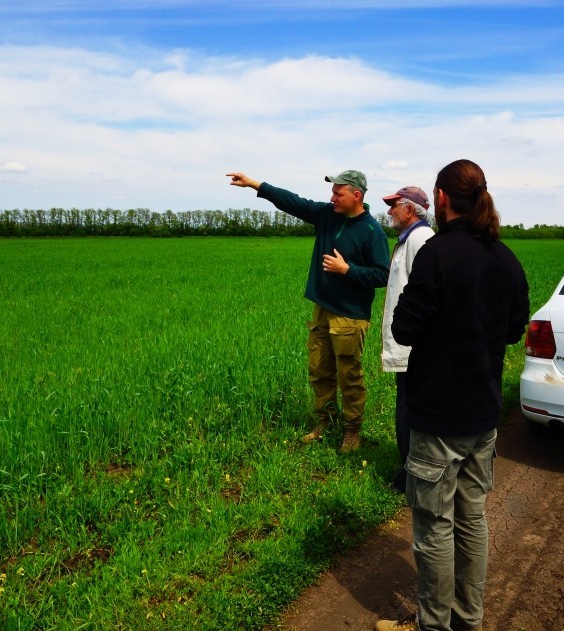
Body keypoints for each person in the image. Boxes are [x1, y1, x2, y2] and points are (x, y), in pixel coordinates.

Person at [377, 160, 530, 631]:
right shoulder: (506, 258)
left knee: (434, 527)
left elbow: (404, 328)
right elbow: (513, 331)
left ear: (441, 199)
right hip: (482, 417)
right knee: (471, 520)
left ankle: (432, 626)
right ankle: (468, 620)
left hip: (438, 416)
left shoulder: (438, 255)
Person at [227, 169, 390, 453]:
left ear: (357, 195)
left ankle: (352, 431)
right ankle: (325, 422)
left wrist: (347, 270)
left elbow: (382, 275)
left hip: (350, 316)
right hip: (322, 309)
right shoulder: (327, 215)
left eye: (338, 193)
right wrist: (255, 184)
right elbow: (293, 202)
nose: (332, 198)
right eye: (332, 192)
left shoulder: (372, 232)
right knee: (319, 370)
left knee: (349, 375)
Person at [381, 186, 435, 493]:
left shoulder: (421, 240)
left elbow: (426, 295)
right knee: (406, 405)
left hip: (414, 346)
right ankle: (409, 469)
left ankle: (412, 474)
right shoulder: (408, 241)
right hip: (407, 343)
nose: (390, 211)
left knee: (410, 407)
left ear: (410, 209)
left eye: (393, 206)